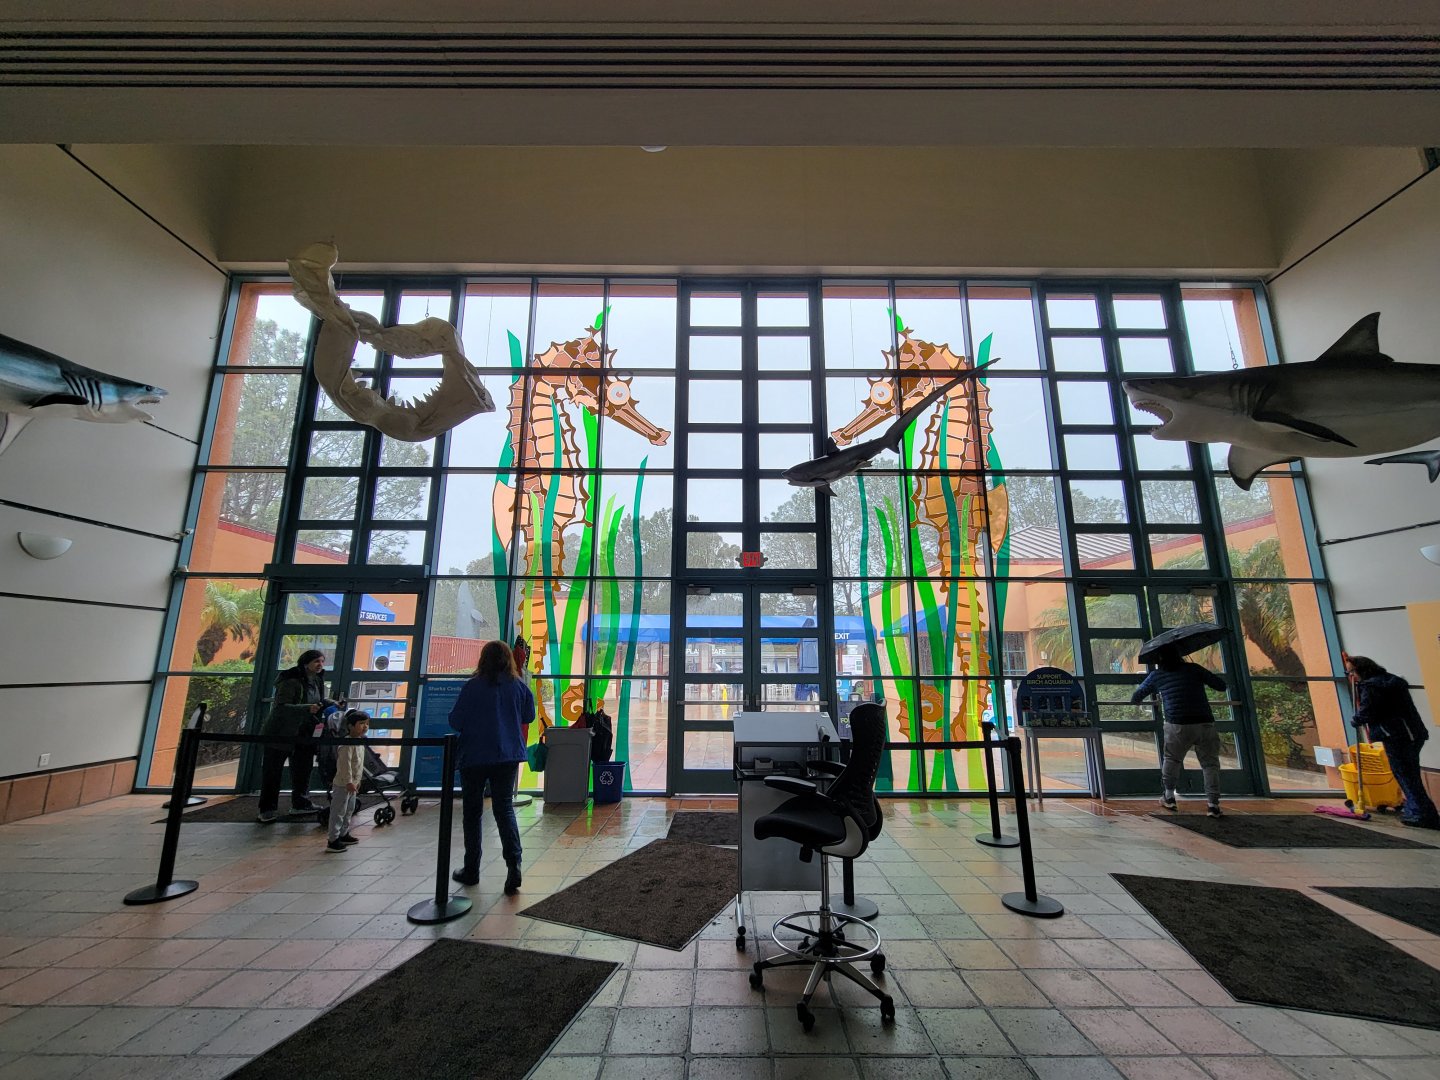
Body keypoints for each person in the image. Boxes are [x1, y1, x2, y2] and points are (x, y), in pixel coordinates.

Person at [449, 640, 534, 893]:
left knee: (472, 814)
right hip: (506, 755)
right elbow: (528, 716)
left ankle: (472, 868)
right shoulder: (518, 686)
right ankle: (514, 866)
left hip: (474, 757)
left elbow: (456, 720)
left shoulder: (472, 687)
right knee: (504, 809)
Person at [1131, 645, 1228, 818]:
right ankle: (1213, 805)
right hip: (1205, 723)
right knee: (1210, 764)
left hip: (1177, 724)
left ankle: (1169, 796)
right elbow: (1221, 686)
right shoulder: (1194, 669)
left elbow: (1136, 698)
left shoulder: (1157, 675)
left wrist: (1160, 692)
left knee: (1172, 759)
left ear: (1159, 660)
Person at [1345, 654, 1439, 828]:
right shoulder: (1393, 682)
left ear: (1361, 670)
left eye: (1352, 672)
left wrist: (1356, 719)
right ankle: (1417, 810)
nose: (1351, 676)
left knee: (1405, 775)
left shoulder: (1372, 687)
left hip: (1395, 735)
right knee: (1410, 774)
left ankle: (1422, 813)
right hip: (1413, 733)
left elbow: (1368, 710)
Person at [257, 649, 333, 824]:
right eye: (316, 661)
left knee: (303, 769)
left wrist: (330, 703)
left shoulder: (318, 680)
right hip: (281, 733)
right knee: (272, 772)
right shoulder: (291, 681)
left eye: (322, 661)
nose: (320, 665)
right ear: (305, 663)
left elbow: (318, 702)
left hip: (304, 732)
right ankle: (267, 809)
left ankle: (301, 803)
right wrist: (306, 708)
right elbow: (282, 707)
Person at [325, 710, 369, 853]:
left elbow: (359, 764)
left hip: (353, 784)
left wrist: (358, 780)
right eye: (361, 724)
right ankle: (333, 839)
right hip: (343, 784)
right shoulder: (346, 744)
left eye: (367, 724)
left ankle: (344, 833)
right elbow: (345, 765)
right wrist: (349, 781)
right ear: (350, 726)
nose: (365, 727)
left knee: (349, 810)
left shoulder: (360, 743)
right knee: (338, 811)